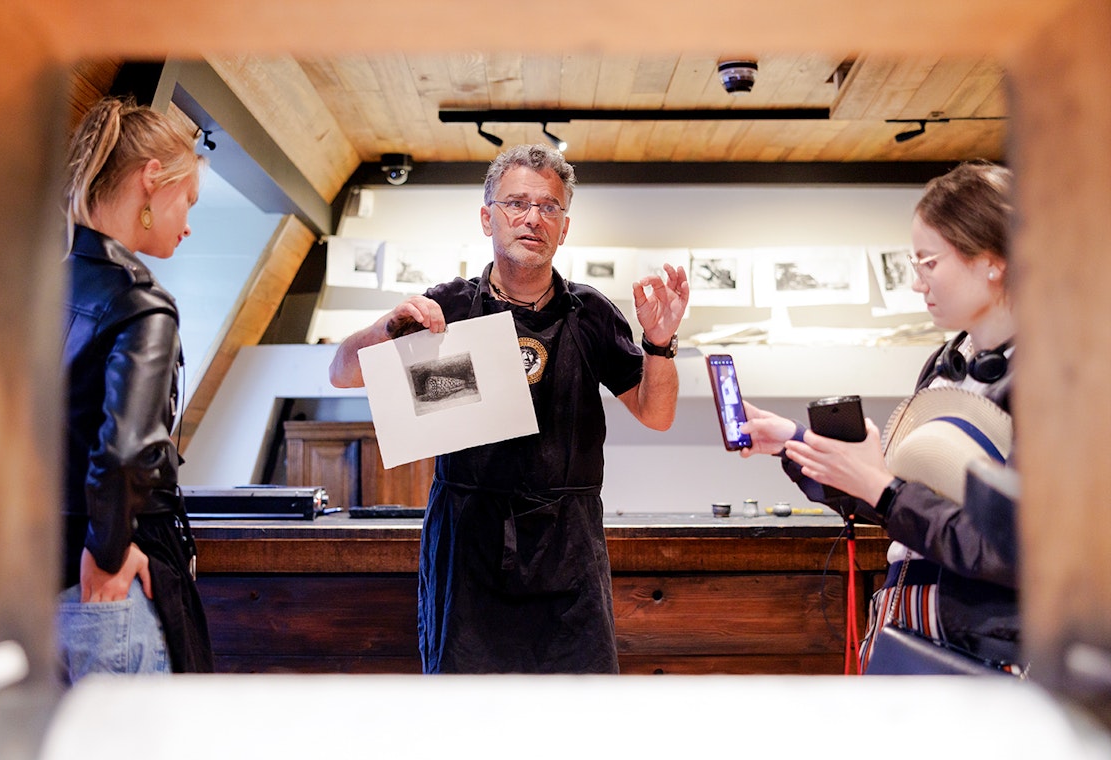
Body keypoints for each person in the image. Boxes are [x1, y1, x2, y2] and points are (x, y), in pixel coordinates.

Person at [329, 144, 689, 673]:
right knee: (466, 723)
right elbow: (342, 372)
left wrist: (659, 342)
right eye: (516, 203)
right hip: (469, 540)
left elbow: (656, 413)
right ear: (486, 217)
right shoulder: (445, 309)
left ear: (564, 228)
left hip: (569, 547)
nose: (532, 218)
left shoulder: (590, 314)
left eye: (549, 207)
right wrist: (387, 326)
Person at [739, 160, 1020, 670]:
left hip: (982, 646)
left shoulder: (1052, 384)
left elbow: (1009, 550)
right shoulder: (945, 365)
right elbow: (896, 498)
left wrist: (883, 490)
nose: (918, 283)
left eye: (929, 263)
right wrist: (794, 442)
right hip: (912, 625)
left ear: (992, 260)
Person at [57, 97, 213, 682]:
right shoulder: (139, 302)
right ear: (152, 178)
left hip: (24, 593)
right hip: (107, 593)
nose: (190, 221)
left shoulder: (32, 287)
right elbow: (126, 450)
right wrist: (110, 552)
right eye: (188, 199)